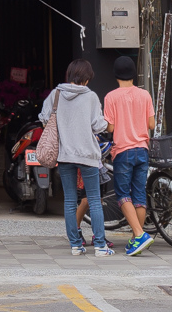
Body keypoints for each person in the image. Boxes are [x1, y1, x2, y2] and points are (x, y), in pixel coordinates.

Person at [39, 58, 112, 257]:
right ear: (87, 79)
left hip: (65, 155)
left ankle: (75, 246)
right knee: (94, 200)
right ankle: (100, 246)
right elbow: (98, 126)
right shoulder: (91, 97)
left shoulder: (56, 94)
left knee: (70, 201)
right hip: (87, 154)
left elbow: (44, 118)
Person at [104, 55, 156, 256]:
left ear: (116, 75)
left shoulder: (111, 97)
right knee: (139, 195)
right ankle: (137, 240)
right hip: (142, 150)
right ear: (134, 74)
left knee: (123, 194)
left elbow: (110, 126)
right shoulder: (145, 95)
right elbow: (151, 124)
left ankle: (140, 235)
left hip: (123, 151)